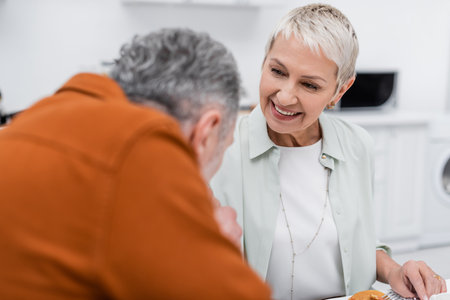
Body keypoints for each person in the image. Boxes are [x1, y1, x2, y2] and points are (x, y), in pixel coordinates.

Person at [0, 28, 271, 299]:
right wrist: (216, 247)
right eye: (223, 148)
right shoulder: (140, 150)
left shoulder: (41, 117)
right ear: (206, 133)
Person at [210, 4, 446, 300]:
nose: (284, 96)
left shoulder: (357, 145)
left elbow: (357, 243)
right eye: (277, 71)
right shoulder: (219, 147)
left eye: (309, 84)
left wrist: (396, 272)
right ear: (263, 63)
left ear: (339, 91)